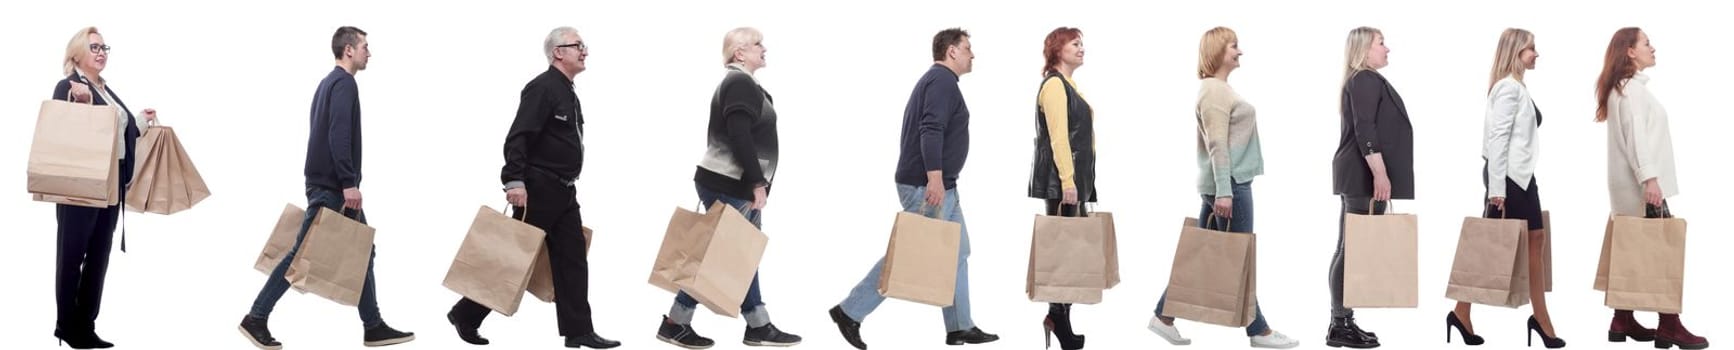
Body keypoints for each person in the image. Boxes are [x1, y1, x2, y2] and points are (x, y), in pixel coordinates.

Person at [237, 26, 415, 350]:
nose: (368, 53)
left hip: (324, 183)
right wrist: (349, 182)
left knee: (363, 249)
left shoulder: (326, 84)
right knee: (299, 255)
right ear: (348, 49)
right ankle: (256, 317)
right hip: (332, 186)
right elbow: (338, 134)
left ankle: (373, 325)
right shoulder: (344, 84)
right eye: (364, 46)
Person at [444, 26, 621, 349]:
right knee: (514, 257)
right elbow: (519, 136)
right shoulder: (542, 88)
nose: (585, 51)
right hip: (538, 189)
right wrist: (514, 180)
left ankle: (578, 330)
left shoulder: (567, 90)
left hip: (565, 191)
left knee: (573, 259)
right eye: (577, 45)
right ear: (558, 52)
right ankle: (466, 314)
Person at [826, 28, 999, 350]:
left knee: (958, 251)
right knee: (907, 255)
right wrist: (934, 178)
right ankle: (850, 311)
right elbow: (930, 129)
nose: (972, 55)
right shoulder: (942, 82)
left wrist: (941, 180)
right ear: (951, 52)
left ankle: (960, 326)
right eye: (967, 48)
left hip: (943, 185)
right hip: (928, 185)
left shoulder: (939, 82)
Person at [1147, 26, 1299, 350]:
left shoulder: (1219, 89)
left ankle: (1163, 316)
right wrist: (1224, 192)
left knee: (1202, 257)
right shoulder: (1215, 92)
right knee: (1239, 257)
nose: (1239, 51)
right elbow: (1217, 145)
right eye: (1234, 46)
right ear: (1217, 51)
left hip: (1224, 185)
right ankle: (1260, 331)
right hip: (1230, 186)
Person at [654, 26, 803, 349]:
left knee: (740, 254)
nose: (765, 48)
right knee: (719, 256)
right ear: (740, 53)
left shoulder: (746, 84)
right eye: (758, 44)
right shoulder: (739, 83)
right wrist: (756, 183)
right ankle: (676, 323)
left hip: (732, 185)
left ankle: (756, 324)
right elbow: (739, 135)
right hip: (731, 185)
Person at [1446, 27, 1564, 349]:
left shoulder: (1518, 87)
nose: (1536, 54)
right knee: (1491, 246)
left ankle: (1464, 312)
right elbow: (1496, 141)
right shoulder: (1508, 89)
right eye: (1531, 48)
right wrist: (1497, 189)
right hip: (1508, 180)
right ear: (1515, 51)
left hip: (1522, 177)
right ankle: (1538, 319)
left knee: (1534, 239)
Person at [1594, 26, 1709, 350]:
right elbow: (1638, 140)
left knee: (1633, 251)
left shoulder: (1624, 88)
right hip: (1643, 187)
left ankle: (1622, 319)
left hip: (1629, 189)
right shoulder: (1631, 90)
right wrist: (1650, 179)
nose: (1653, 48)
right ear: (1630, 51)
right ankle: (1669, 326)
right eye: (1647, 43)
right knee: (1662, 254)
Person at [50, 26, 158, 350]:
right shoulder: (68, 86)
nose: (101, 52)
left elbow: (116, 134)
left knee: (98, 257)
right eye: (94, 46)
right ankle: (66, 326)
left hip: (111, 185)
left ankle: (86, 325)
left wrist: (138, 121)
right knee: (72, 255)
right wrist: (81, 104)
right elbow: (65, 132)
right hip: (82, 185)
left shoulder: (106, 90)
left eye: (104, 47)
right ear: (77, 53)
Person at [1326, 26, 1410, 349]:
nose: (1387, 48)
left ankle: (1343, 321)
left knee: (1348, 247)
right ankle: (1339, 323)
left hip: (1357, 174)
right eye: (1381, 43)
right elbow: (1365, 129)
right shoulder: (1363, 79)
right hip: (1361, 174)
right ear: (1365, 49)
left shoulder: (1363, 79)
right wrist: (1380, 172)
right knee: (1351, 250)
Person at [1027, 26, 1095, 350]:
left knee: (1071, 255)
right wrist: (1068, 182)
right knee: (1065, 255)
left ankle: (1059, 319)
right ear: (1058, 50)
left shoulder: (1069, 85)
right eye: (1075, 43)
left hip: (1074, 185)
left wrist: (1085, 186)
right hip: (1062, 186)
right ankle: (1058, 320)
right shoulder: (1054, 86)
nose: (1082, 48)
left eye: (1082, 43)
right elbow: (1058, 139)